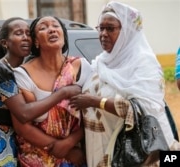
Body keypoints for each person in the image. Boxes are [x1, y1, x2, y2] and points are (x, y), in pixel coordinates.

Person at [69, 1, 180, 167]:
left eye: (110, 28)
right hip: (100, 148)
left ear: (127, 31)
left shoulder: (143, 64)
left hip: (137, 153)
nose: (103, 34)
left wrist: (95, 102)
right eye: (101, 28)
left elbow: (143, 111)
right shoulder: (100, 63)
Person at [0, 17, 82, 167]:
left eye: (28, 33)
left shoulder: (21, 72)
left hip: (11, 143)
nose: (25, 37)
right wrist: (64, 92)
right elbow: (24, 113)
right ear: (5, 43)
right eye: (19, 33)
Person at [13, 16, 92, 166]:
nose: (51, 30)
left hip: (77, 158)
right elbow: (22, 126)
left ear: (63, 34)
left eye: (56, 26)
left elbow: (93, 114)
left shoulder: (81, 67)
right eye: (43, 28)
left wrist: (71, 141)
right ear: (36, 41)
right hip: (36, 159)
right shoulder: (23, 74)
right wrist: (65, 149)